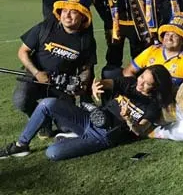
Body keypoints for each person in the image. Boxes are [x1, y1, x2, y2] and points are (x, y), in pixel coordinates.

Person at [2, 65, 173, 161]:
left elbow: (140, 131)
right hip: (90, 119)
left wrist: (128, 118)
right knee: (48, 104)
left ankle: (74, 139)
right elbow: (106, 83)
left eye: (146, 83)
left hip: (103, 136)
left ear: (155, 88)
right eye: (142, 77)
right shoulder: (130, 83)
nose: (140, 83)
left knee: (52, 153)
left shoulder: (152, 106)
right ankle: (20, 145)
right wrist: (96, 86)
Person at [11, 0, 97, 130]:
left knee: (66, 128)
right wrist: (37, 73)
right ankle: (43, 123)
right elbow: (22, 51)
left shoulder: (86, 40)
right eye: (64, 10)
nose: (67, 15)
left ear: (83, 16)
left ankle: (54, 116)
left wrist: (80, 84)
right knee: (21, 100)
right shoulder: (46, 27)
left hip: (61, 85)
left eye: (74, 12)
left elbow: (86, 68)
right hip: (34, 76)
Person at [99, 0, 151, 78]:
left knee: (140, 61)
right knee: (113, 60)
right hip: (116, 27)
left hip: (137, 26)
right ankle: (113, 91)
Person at [123, 13, 183, 87]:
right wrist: (137, 89)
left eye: (175, 36)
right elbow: (128, 71)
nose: (169, 39)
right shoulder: (152, 50)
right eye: (167, 34)